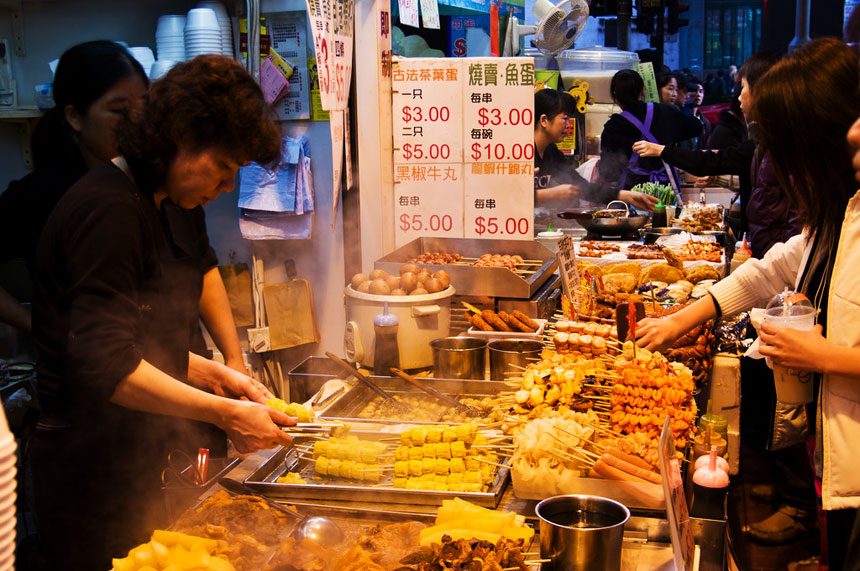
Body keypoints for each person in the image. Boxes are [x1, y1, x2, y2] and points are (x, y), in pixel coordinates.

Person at [29, 55, 293, 570]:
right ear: (182, 138)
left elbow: (138, 341)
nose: (223, 187)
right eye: (223, 168)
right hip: (93, 471)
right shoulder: (108, 211)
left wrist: (220, 375)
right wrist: (225, 412)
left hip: (137, 454)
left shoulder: (154, 201)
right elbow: (108, 367)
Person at [635, 37, 860, 569]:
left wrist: (827, 357)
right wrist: (684, 317)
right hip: (838, 444)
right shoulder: (843, 211)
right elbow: (778, 264)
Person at [0, 40, 247, 375]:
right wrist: (35, 324)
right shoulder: (85, 201)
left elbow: (203, 264)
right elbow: (112, 362)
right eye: (119, 110)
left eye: (142, 106)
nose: (136, 120)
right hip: (105, 391)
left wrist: (233, 361)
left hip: (178, 373)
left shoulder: (170, 183)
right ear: (74, 116)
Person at [631, 50, 795, 259]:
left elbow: (717, 160)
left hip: (776, 256)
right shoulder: (766, 139)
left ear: (763, 90)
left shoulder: (776, 143)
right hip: (770, 254)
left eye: (742, 87)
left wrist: (662, 150)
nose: (738, 96)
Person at [532, 88, 659, 226]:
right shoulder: (520, 153)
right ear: (544, 120)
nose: (568, 125)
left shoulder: (551, 152)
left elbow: (583, 187)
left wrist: (625, 195)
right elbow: (507, 196)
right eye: (564, 119)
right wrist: (548, 195)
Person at [597, 69, 701, 201]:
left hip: (633, 196)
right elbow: (697, 127)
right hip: (666, 190)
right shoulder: (666, 111)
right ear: (642, 91)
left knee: (637, 222)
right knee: (669, 219)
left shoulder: (613, 127)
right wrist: (670, 135)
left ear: (614, 96)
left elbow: (608, 173)